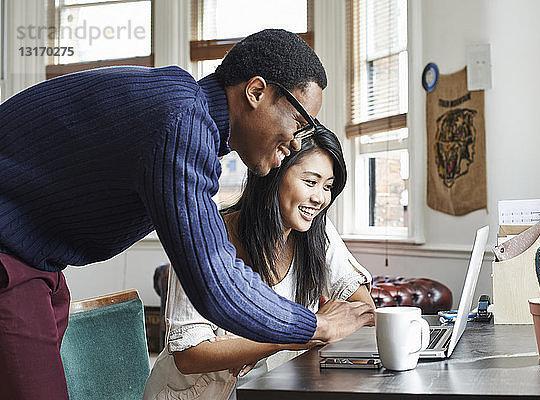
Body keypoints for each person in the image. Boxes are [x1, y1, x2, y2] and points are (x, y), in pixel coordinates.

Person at [0, 29, 374, 400]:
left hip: (39, 263)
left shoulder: (184, 117)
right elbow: (214, 282)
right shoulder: (179, 121)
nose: (297, 140)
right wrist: (314, 326)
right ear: (257, 92)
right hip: (11, 259)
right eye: (299, 121)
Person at [144, 124, 375, 400]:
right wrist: (291, 335)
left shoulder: (316, 231)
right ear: (275, 174)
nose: (320, 198)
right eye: (311, 182)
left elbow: (364, 310)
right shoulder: (205, 236)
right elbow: (189, 355)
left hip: (271, 389)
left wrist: (253, 344)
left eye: (328, 187)